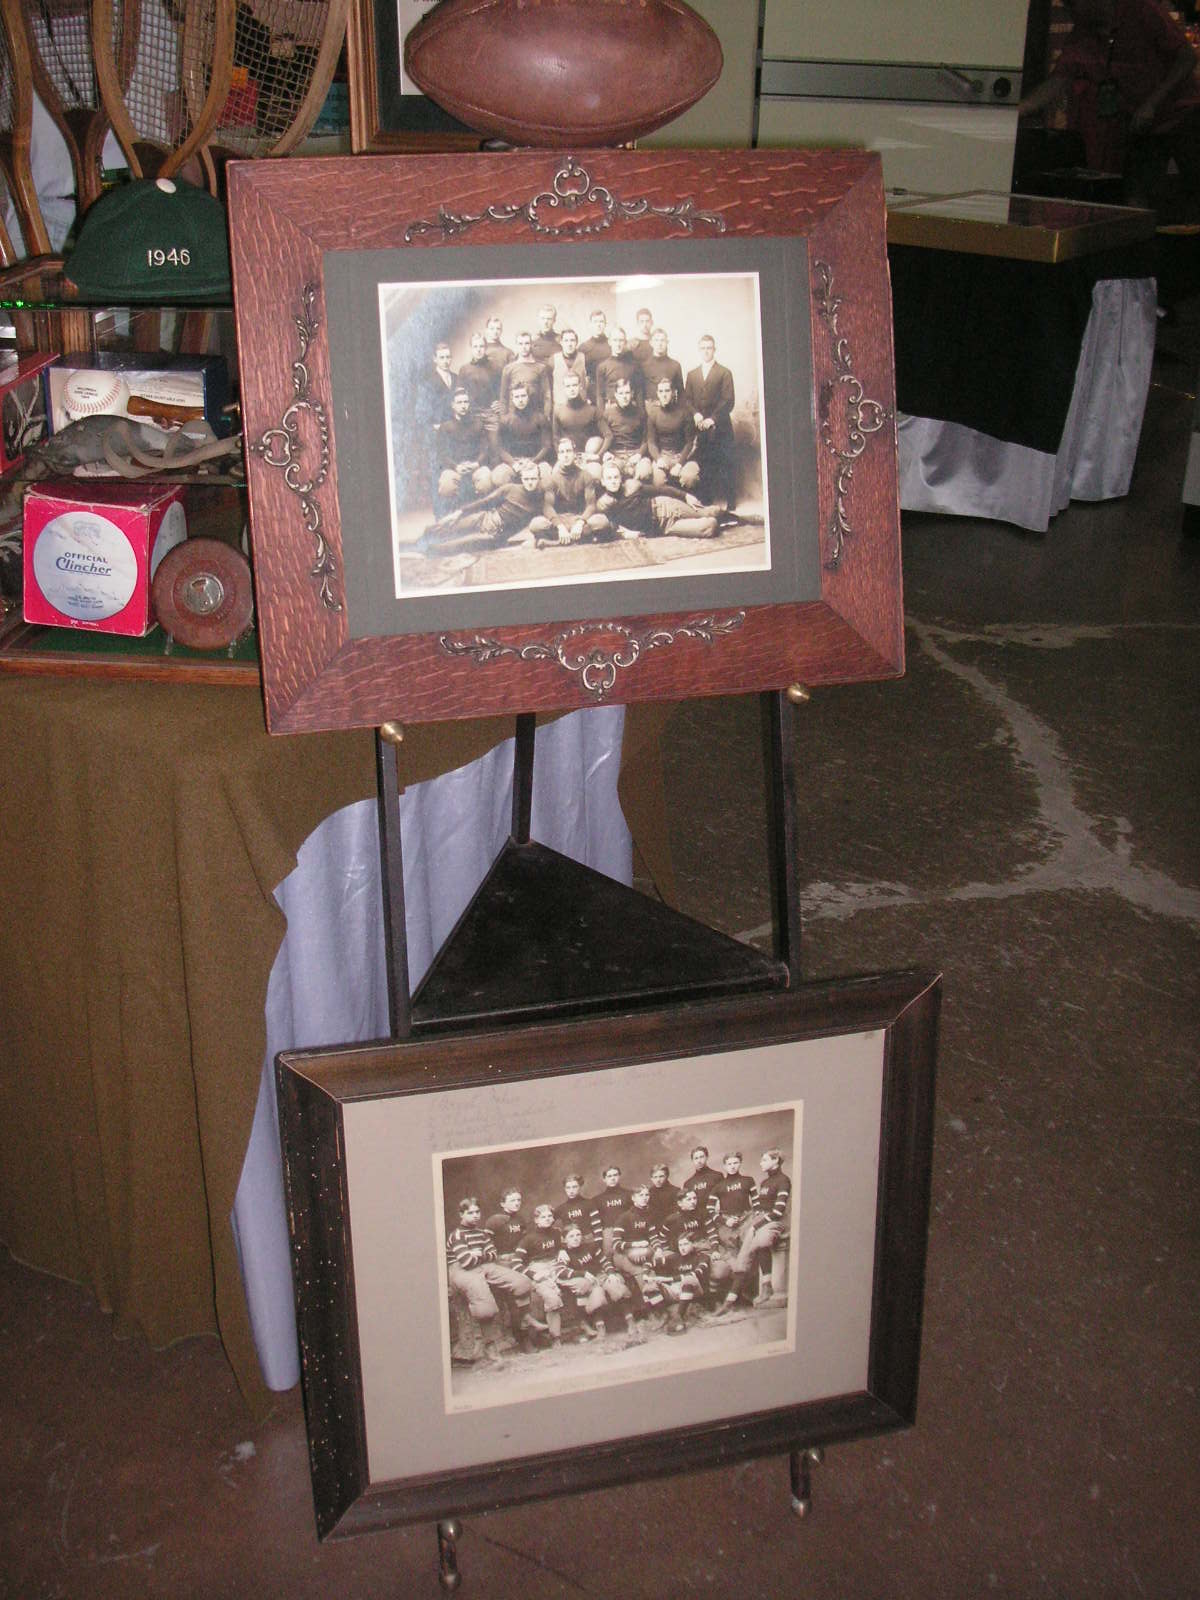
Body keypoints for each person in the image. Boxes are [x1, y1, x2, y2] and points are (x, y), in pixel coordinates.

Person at [1018, 0, 1200, 210]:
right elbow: (1058, 80)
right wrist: (1020, 109)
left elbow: (1187, 57)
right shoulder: (1083, 35)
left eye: (1073, 5)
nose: (1070, 12)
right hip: (1142, 127)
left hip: (1181, 114)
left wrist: (1152, 103)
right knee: (1135, 195)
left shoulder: (1141, 9)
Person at [445, 1196, 539, 1364]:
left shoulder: (481, 1233)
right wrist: (481, 1255)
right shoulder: (457, 1235)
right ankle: (490, 1346)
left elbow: (493, 1254)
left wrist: (477, 1254)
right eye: (470, 1213)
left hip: (484, 1266)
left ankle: (525, 1318)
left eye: (477, 1212)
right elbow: (466, 1262)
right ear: (461, 1214)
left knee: (522, 1282)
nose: (475, 1215)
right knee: (485, 1305)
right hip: (461, 1271)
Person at [415, 459, 544, 555]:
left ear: (539, 478)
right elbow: (484, 502)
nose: (530, 482)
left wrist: (536, 540)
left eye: (533, 479)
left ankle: (429, 547)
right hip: (483, 519)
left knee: (451, 547)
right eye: (527, 479)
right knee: (448, 526)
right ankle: (421, 540)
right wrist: (459, 512)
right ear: (521, 478)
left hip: (495, 536)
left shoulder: (540, 500)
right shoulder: (510, 489)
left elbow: (547, 521)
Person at [590, 460, 722, 541]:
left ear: (621, 478)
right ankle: (719, 520)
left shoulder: (632, 485)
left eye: (616, 477)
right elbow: (609, 527)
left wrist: (685, 496)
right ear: (603, 481)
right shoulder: (604, 504)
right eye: (609, 478)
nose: (613, 481)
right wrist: (625, 534)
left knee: (712, 512)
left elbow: (661, 490)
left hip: (665, 506)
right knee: (710, 526)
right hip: (665, 527)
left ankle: (723, 514)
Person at [729, 1148, 792, 1307]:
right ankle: (734, 1295)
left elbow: (778, 1211)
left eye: (764, 1160)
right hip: (762, 1220)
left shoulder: (783, 1180)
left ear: (775, 1160)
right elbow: (759, 1208)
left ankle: (766, 1286)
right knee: (743, 1251)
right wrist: (752, 1219)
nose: (760, 1163)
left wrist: (756, 1225)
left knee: (761, 1240)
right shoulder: (764, 1182)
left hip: (777, 1221)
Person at [683, 334, 736, 508]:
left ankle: (731, 500)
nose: (706, 351)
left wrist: (713, 419)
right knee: (704, 463)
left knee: (726, 462)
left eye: (709, 348)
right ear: (699, 350)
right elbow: (687, 399)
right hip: (700, 427)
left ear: (714, 350)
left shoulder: (724, 372)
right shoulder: (692, 374)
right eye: (703, 348)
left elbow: (728, 400)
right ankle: (706, 499)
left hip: (721, 427)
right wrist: (696, 414)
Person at [709, 1152, 759, 1315]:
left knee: (749, 1255)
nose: (732, 1166)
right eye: (729, 1164)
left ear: (740, 1163)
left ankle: (748, 1294)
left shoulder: (748, 1180)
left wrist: (753, 1220)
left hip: (746, 1220)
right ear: (724, 1166)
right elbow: (710, 1210)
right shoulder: (719, 1186)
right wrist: (725, 1221)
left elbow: (757, 1204)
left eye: (735, 1163)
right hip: (728, 1225)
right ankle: (735, 1297)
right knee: (733, 1259)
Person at [513, 1203, 566, 1344]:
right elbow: (516, 1263)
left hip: (556, 1266)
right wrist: (533, 1274)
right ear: (536, 1220)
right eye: (543, 1217)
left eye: (550, 1216)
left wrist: (562, 1249)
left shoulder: (557, 1233)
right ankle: (555, 1337)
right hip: (539, 1269)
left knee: (582, 1284)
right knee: (552, 1298)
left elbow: (562, 1245)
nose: (547, 1219)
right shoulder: (528, 1238)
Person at [531, 437, 599, 546]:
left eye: (568, 451)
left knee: (601, 522)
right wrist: (560, 527)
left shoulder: (586, 476)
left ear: (574, 454)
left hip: (578, 519)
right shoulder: (551, 479)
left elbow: (591, 505)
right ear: (558, 456)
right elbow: (547, 507)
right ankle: (579, 539)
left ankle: (555, 542)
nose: (565, 455)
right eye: (562, 452)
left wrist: (580, 523)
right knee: (536, 524)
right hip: (560, 520)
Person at [433, 387, 492, 509]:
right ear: (453, 405)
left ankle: (481, 512)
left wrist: (477, 463)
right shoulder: (446, 427)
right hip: (455, 467)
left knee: (486, 480)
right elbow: (442, 453)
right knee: (446, 485)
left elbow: (485, 449)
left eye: (466, 402)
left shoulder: (478, 424)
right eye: (459, 402)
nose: (463, 405)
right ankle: (452, 514)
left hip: (475, 466)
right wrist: (456, 466)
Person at [646, 375, 700, 490]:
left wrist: (680, 464)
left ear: (673, 392)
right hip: (663, 456)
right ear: (657, 394)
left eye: (667, 391)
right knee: (658, 481)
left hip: (683, 456)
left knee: (690, 478)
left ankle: (687, 499)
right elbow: (651, 441)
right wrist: (658, 459)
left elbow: (690, 443)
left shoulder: (684, 413)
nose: (664, 394)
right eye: (661, 391)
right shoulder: (653, 414)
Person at [492, 382, 551, 484]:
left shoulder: (540, 418)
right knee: (499, 476)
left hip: (535, 461)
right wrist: (513, 463)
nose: (520, 400)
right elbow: (499, 447)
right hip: (514, 462)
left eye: (523, 396)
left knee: (547, 475)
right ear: (512, 399)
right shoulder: (506, 421)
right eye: (517, 397)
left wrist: (534, 462)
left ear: (528, 397)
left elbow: (546, 446)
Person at [598, 376, 651, 483]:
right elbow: (602, 437)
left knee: (644, 471)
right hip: (616, 455)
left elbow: (646, 439)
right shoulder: (608, 413)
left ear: (632, 394)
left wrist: (639, 454)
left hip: (635, 454)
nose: (624, 397)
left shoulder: (640, 413)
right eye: (621, 393)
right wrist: (605, 453)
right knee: (610, 473)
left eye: (627, 393)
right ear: (616, 395)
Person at [551, 368, 604, 472]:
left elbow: (608, 436)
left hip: (587, 457)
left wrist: (598, 455)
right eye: (568, 386)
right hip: (568, 456)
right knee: (555, 474)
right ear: (564, 388)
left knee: (596, 472)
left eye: (574, 385)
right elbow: (555, 438)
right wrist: (563, 455)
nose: (572, 389)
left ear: (580, 386)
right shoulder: (558, 410)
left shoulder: (592, 410)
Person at [499, 330, 551, 417]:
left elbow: (547, 395)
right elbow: (503, 397)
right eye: (520, 344)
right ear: (516, 345)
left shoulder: (541, 368)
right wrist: (503, 418)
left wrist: (545, 416)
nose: (523, 347)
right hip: (514, 416)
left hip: (534, 416)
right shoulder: (508, 369)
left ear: (531, 345)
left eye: (526, 343)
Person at [595, 327, 643, 407]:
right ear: (610, 342)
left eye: (621, 340)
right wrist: (602, 413)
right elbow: (600, 395)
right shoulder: (602, 367)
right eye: (615, 340)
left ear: (625, 342)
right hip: (611, 408)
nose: (618, 344)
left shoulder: (634, 366)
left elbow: (639, 393)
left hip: (630, 408)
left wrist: (641, 411)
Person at [640, 328, 684, 403]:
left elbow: (681, 393)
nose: (659, 344)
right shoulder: (644, 366)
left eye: (662, 340)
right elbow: (640, 393)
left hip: (670, 408)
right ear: (651, 343)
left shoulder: (675, 365)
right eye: (656, 340)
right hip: (650, 408)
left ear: (667, 342)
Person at [550, 327, 589, 406]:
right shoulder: (553, 359)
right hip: (560, 405)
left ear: (576, 342)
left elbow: (589, 380)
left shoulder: (584, 358)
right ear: (561, 342)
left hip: (580, 405)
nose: (569, 344)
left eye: (572, 340)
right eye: (566, 340)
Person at [579, 309, 612, 394]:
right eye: (595, 322)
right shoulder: (583, 348)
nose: (598, 325)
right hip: (592, 391)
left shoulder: (612, 344)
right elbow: (580, 374)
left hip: (611, 389)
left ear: (605, 324)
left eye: (601, 321)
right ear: (590, 325)